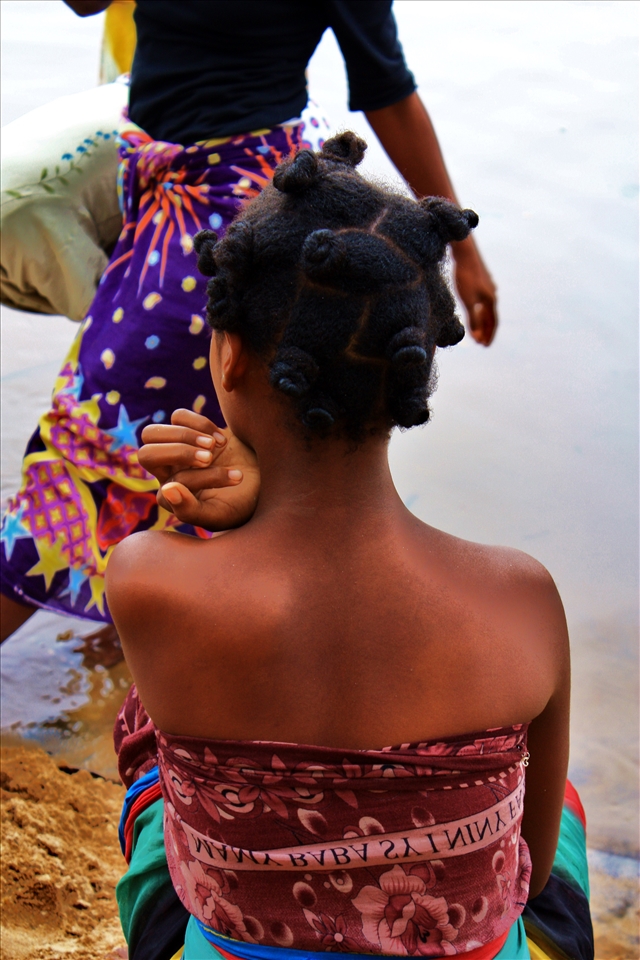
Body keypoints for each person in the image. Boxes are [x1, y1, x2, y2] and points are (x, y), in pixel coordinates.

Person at [107, 136, 593, 960]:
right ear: (409, 379)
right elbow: (533, 869)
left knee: (158, 782)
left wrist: (224, 525)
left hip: (222, 942)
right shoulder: (524, 598)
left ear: (228, 358)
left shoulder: (147, 578)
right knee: (563, 807)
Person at [1, 1, 497, 643]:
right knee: (216, 448)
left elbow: (389, 91)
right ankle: (159, 640)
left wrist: (463, 248)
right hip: (158, 178)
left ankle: (254, 652)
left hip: (240, 207)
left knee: (104, 436)